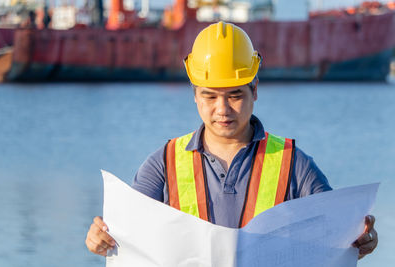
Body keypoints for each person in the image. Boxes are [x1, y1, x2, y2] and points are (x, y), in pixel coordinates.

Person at [85, 21, 377, 260]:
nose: (222, 109)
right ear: (195, 94)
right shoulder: (164, 163)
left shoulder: (293, 163)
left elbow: (337, 233)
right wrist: (99, 238)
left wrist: (361, 238)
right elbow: (127, 235)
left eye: (235, 96)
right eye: (209, 96)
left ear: (255, 91)